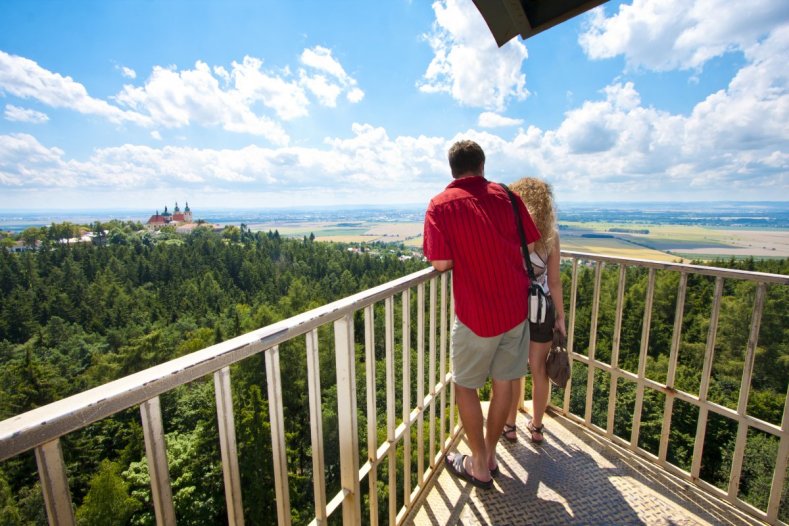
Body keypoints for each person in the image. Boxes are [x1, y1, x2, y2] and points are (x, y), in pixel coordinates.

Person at [423, 140, 540, 489]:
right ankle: (489, 454)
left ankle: (477, 464)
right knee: (505, 382)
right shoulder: (507, 196)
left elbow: (441, 263)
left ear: (452, 169)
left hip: (476, 314)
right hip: (515, 310)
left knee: (466, 385)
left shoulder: (440, 205)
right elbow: (530, 246)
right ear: (482, 165)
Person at [501, 177, 566, 444]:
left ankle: (509, 425)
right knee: (539, 370)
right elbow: (554, 281)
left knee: (514, 369)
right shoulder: (551, 236)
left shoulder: (512, 232)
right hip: (543, 309)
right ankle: (537, 427)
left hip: (516, 308)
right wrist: (560, 316)